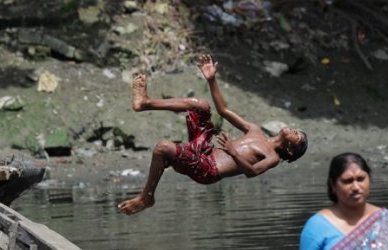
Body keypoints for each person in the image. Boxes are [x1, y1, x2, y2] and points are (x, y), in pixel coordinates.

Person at [117, 53, 308, 215]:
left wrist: (233, 152)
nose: (295, 130)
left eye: (297, 136)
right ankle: (145, 103)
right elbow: (224, 110)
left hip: (208, 170)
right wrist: (212, 80)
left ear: (290, 150)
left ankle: (146, 197)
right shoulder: (255, 130)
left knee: (163, 147)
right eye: (297, 130)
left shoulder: (272, 156)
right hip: (203, 152)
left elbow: (252, 172)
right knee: (201, 105)